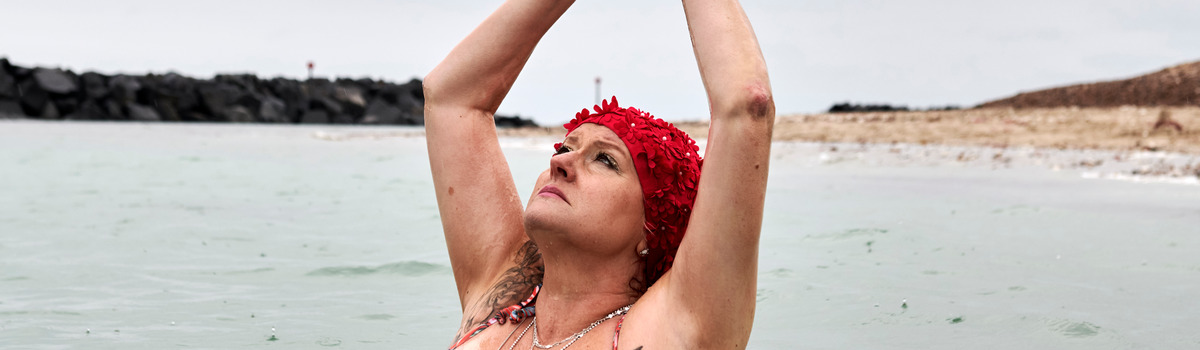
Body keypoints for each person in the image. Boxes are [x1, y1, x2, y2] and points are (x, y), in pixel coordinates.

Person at [423, 0, 773, 348]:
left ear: (651, 229)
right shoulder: (502, 296)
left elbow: (747, 105)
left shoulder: (675, 328)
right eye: (564, 148)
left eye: (605, 160)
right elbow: (453, 99)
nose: (560, 164)